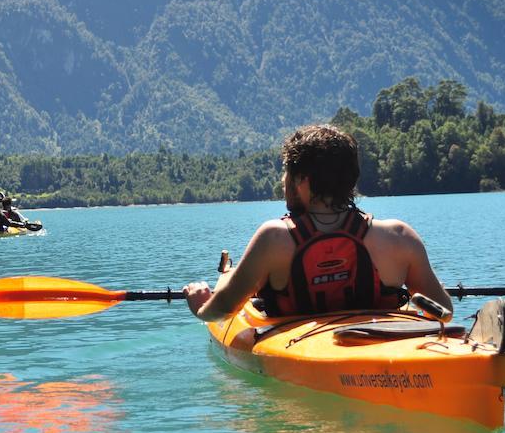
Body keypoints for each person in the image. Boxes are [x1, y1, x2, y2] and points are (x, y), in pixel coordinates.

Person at [184, 124, 452, 321]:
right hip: (383, 351)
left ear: (303, 181)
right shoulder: (399, 237)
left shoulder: (274, 239)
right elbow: (444, 311)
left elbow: (221, 310)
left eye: (287, 173)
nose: (283, 181)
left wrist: (199, 306)